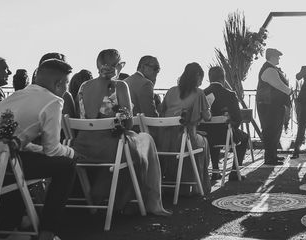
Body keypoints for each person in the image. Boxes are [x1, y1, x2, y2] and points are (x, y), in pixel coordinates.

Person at [73, 49, 170, 216]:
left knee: (133, 144)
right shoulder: (120, 86)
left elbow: (82, 117)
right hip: (111, 149)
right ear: (117, 66)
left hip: (81, 147)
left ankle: (103, 192)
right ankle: (149, 202)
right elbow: (128, 123)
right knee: (145, 140)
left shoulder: (83, 86)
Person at [0, 59, 77, 240]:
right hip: (3, 163)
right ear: (58, 84)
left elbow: (16, 137)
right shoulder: (53, 101)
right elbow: (53, 149)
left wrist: (36, 148)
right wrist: (72, 152)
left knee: (21, 163)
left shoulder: (16, 95)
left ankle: (12, 222)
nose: (66, 89)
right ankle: (48, 231)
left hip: (2, 160)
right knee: (67, 165)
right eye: (66, 83)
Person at [157, 63, 211, 191]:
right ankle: (195, 185)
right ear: (198, 76)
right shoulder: (199, 93)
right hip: (184, 140)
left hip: (163, 141)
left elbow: (162, 112)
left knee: (195, 139)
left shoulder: (171, 91)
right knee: (203, 142)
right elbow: (207, 117)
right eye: (201, 78)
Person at [201, 66, 248, 181]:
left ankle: (216, 171)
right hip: (224, 134)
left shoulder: (201, 93)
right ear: (223, 78)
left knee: (213, 134)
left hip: (204, 135)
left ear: (209, 78)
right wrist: (232, 126)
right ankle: (234, 171)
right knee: (244, 137)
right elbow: (237, 118)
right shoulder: (230, 94)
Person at [256, 48, 291, 165]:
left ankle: (273, 156)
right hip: (268, 106)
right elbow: (279, 85)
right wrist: (290, 91)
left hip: (273, 105)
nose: (279, 58)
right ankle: (270, 158)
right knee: (270, 131)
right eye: (277, 56)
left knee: (275, 131)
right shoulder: (269, 69)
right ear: (271, 57)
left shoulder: (271, 68)